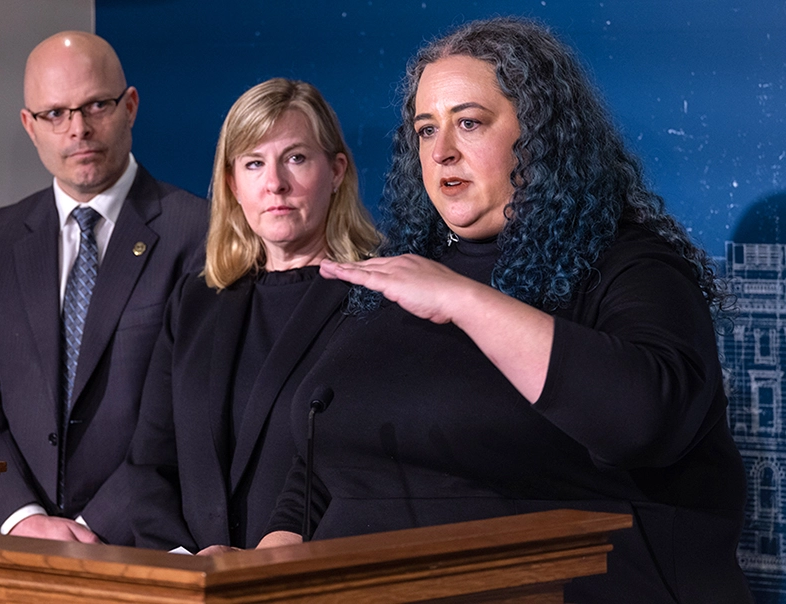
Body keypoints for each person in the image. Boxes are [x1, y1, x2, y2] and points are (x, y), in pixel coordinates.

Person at [258, 18, 753, 603]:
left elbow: (645, 421)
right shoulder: (403, 272)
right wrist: (278, 549)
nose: (441, 151)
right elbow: (332, 456)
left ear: (540, 134)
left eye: (469, 123)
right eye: (425, 129)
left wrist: (465, 302)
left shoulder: (630, 265)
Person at [0, 31, 207, 546]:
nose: (78, 129)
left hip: (149, 545)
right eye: (55, 113)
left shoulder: (200, 232)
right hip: (22, 545)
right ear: (29, 126)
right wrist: (23, 517)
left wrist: (90, 528)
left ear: (130, 106)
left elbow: (191, 417)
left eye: (96, 106)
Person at [126, 78, 378, 553]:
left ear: (338, 170)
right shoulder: (195, 300)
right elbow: (149, 464)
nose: (275, 183)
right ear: (232, 184)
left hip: (314, 579)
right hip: (192, 583)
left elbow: (366, 467)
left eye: (296, 158)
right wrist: (187, 563)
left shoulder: (376, 297)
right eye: (254, 163)